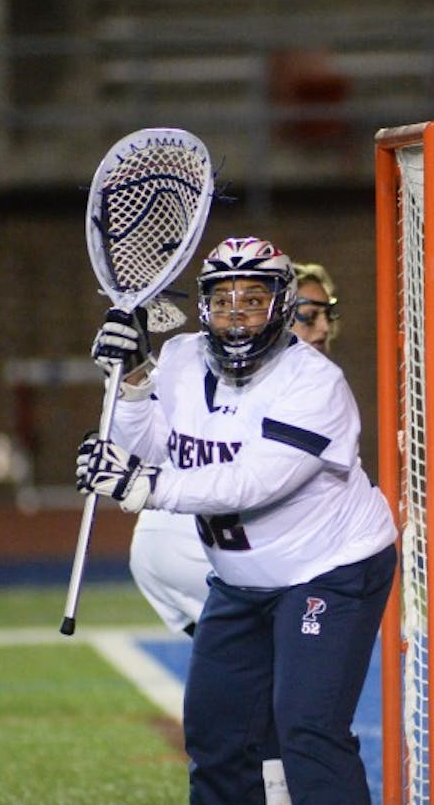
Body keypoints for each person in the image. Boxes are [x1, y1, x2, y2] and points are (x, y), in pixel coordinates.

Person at [77, 238, 395, 805]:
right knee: (216, 736)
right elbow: (151, 446)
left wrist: (145, 487)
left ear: (281, 303)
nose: (237, 315)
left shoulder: (314, 382)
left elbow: (255, 481)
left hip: (328, 569)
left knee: (307, 731)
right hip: (241, 581)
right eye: (223, 300)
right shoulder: (178, 359)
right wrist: (128, 383)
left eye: (253, 298)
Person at [127, 261, 344, 637]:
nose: (323, 328)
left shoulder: (291, 381)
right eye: (309, 316)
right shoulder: (249, 382)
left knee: (236, 677)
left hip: (177, 539)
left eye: (329, 314)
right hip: (203, 541)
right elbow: (249, 482)